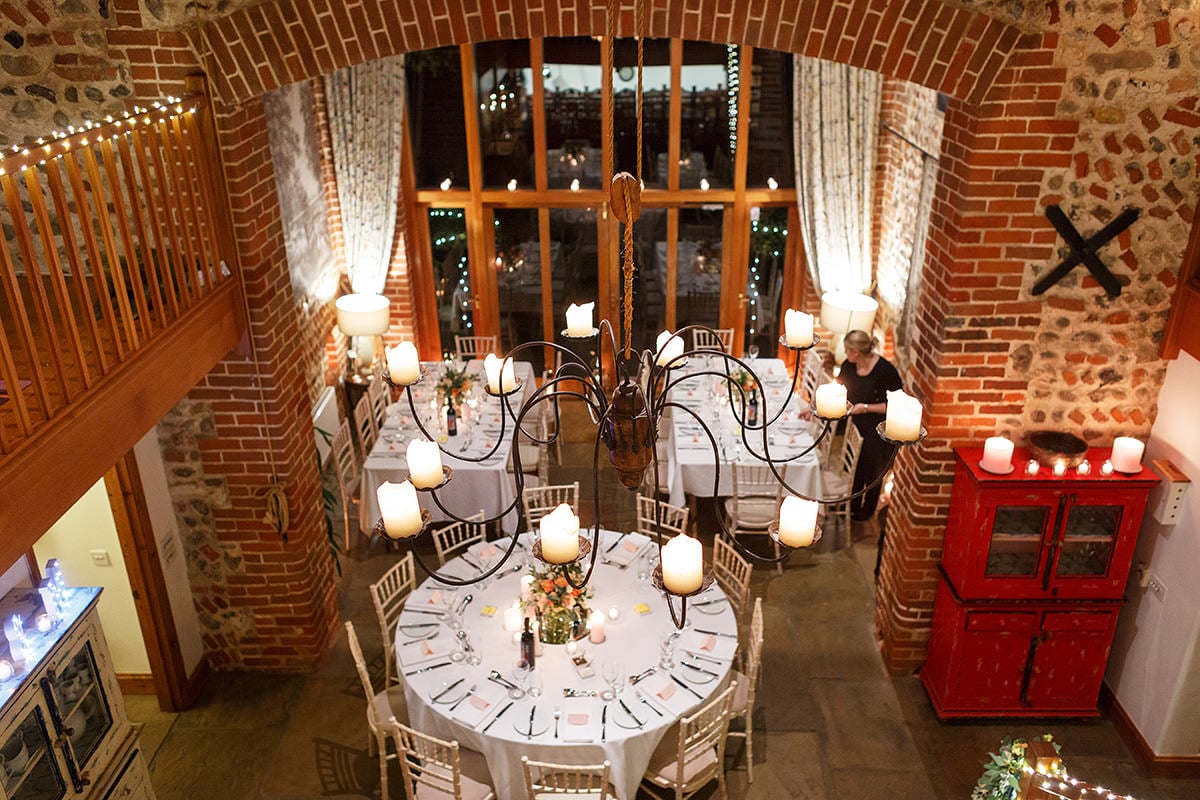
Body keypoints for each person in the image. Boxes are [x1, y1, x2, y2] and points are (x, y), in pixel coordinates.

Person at [838, 330, 903, 521]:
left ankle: (867, 511)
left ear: (856, 352)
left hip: (878, 428)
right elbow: (840, 390)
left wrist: (866, 408)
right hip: (856, 425)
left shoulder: (885, 371)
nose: (845, 353)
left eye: (847, 350)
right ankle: (852, 504)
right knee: (855, 467)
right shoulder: (849, 366)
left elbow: (895, 404)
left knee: (872, 470)